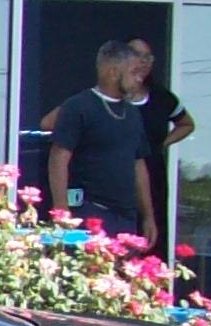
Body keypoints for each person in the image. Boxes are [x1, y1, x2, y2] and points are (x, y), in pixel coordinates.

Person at [46, 38, 154, 247]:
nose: (139, 79)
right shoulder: (79, 106)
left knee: (122, 278)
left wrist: (148, 215)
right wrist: (61, 211)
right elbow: (58, 158)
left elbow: (139, 165)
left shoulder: (133, 114)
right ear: (113, 72)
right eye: (133, 72)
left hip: (126, 217)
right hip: (90, 212)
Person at [120, 36, 194, 247]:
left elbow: (187, 124)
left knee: (151, 233)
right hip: (115, 174)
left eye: (147, 57)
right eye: (136, 55)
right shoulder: (111, 96)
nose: (142, 62)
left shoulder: (162, 98)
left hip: (152, 173)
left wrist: (163, 143)